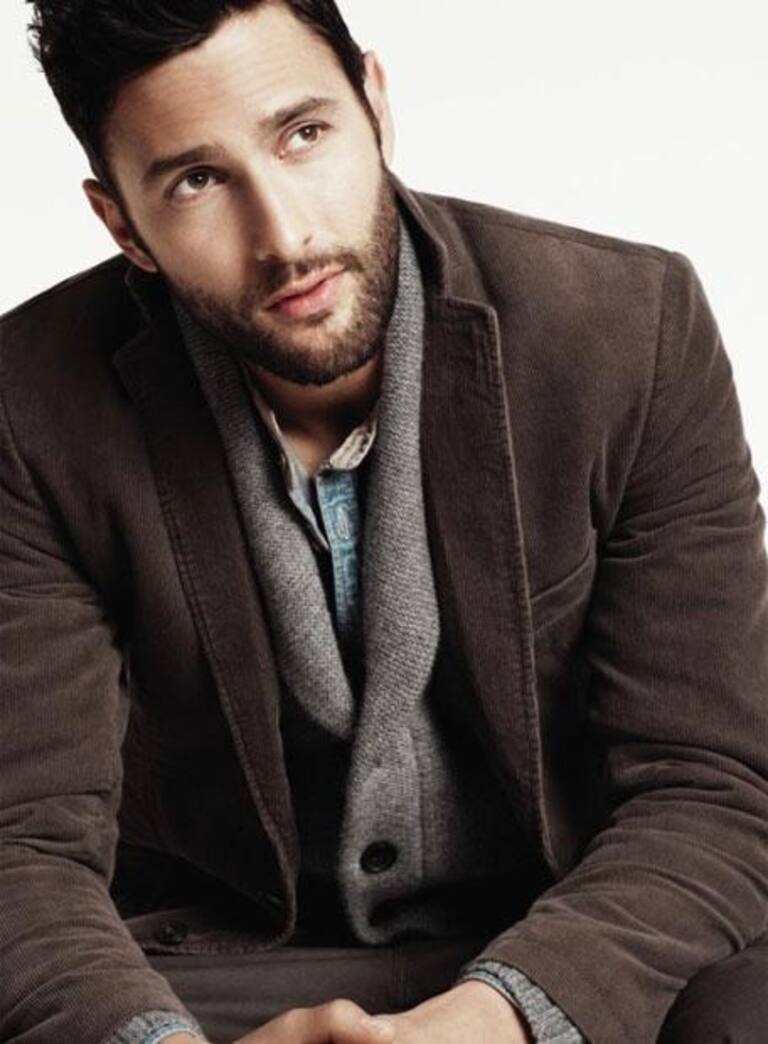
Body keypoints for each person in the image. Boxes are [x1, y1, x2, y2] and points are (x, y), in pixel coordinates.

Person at [1, 1, 766, 1042]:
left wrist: (504, 1016)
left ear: (375, 103)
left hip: (568, 929)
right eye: (198, 181)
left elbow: (711, 788)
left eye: (303, 133)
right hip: (225, 970)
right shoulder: (30, 405)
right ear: (122, 223)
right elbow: (23, 847)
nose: (286, 237)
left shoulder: (628, 330)